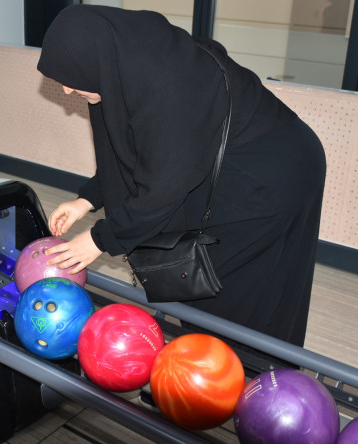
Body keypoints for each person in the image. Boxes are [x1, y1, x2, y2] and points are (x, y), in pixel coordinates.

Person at [37, 5, 326, 348]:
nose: (67, 91)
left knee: (236, 291)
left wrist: (100, 240)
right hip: (227, 163)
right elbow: (135, 154)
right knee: (201, 284)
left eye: (72, 78)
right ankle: (209, 362)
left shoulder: (166, 80)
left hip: (271, 174)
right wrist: (87, 199)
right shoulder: (121, 66)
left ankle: (246, 371)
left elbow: (164, 184)